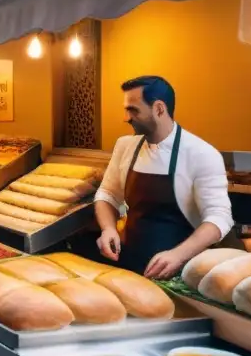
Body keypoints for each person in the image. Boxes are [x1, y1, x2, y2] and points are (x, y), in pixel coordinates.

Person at [94, 76, 233, 279]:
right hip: (128, 262)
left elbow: (219, 217)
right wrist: (108, 229)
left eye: (133, 110)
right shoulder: (125, 146)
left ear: (159, 108)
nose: (126, 118)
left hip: (179, 270)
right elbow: (107, 194)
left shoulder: (201, 153)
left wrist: (178, 255)